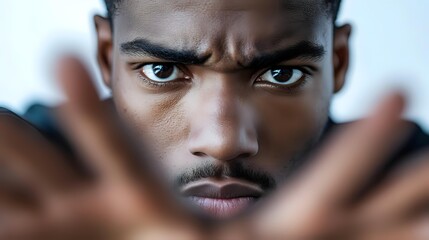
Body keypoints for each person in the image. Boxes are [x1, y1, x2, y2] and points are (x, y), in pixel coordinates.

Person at [0, 0, 428, 239]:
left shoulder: (404, 196)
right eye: (163, 72)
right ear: (107, 56)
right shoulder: (27, 183)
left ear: (338, 61)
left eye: (281, 74)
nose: (223, 141)